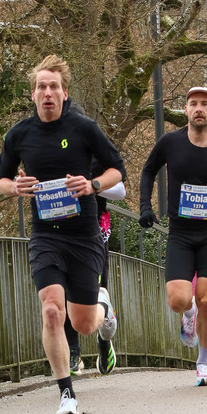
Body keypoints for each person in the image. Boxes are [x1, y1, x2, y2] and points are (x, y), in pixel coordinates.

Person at [0, 54, 125, 414]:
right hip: (45, 236)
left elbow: (119, 169)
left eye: (54, 86)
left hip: (83, 236)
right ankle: (66, 393)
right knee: (52, 310)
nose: (47, 93)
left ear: (65, 93)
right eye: (41, 87)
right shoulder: (19, 134)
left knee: (84, 323)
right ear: (33, 94)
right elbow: (2, 179)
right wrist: (15, 188)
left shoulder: (84, 128)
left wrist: (93, 184)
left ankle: (105, 312)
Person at [139, 85, 207, 386]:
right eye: (193, 103)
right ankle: (187, 315)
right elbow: (149, 170)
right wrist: (145, 207)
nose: (199, 108)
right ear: (185, 110)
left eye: (205, 104)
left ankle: (204, 361)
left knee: (206, 299)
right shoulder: (170, 142)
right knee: (178, 299)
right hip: (181, 233)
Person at [66, 158, 126, 377]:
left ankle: (104, 339)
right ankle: (73, 352)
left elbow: (120, 191)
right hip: (61, 230)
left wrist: (92, 185)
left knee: (95, 297)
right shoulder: (46, 147)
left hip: (95, 231)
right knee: (62, 290)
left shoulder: (92, 148)